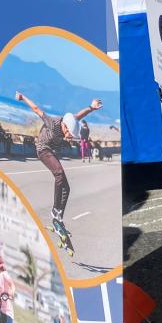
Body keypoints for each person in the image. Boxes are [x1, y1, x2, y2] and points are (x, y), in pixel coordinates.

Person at [15, 90, 102, 242]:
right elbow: (37, 109)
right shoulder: (53, 123)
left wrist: (91, 107)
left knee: (66, 188)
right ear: (65, 127)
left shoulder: (70, 121)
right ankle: (55, 212)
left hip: (51, 151)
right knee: (59, 173)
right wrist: (22, 98)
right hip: (42, 149)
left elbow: (79, 115)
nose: (69, 138)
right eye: (69, 135)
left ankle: (59, 218)